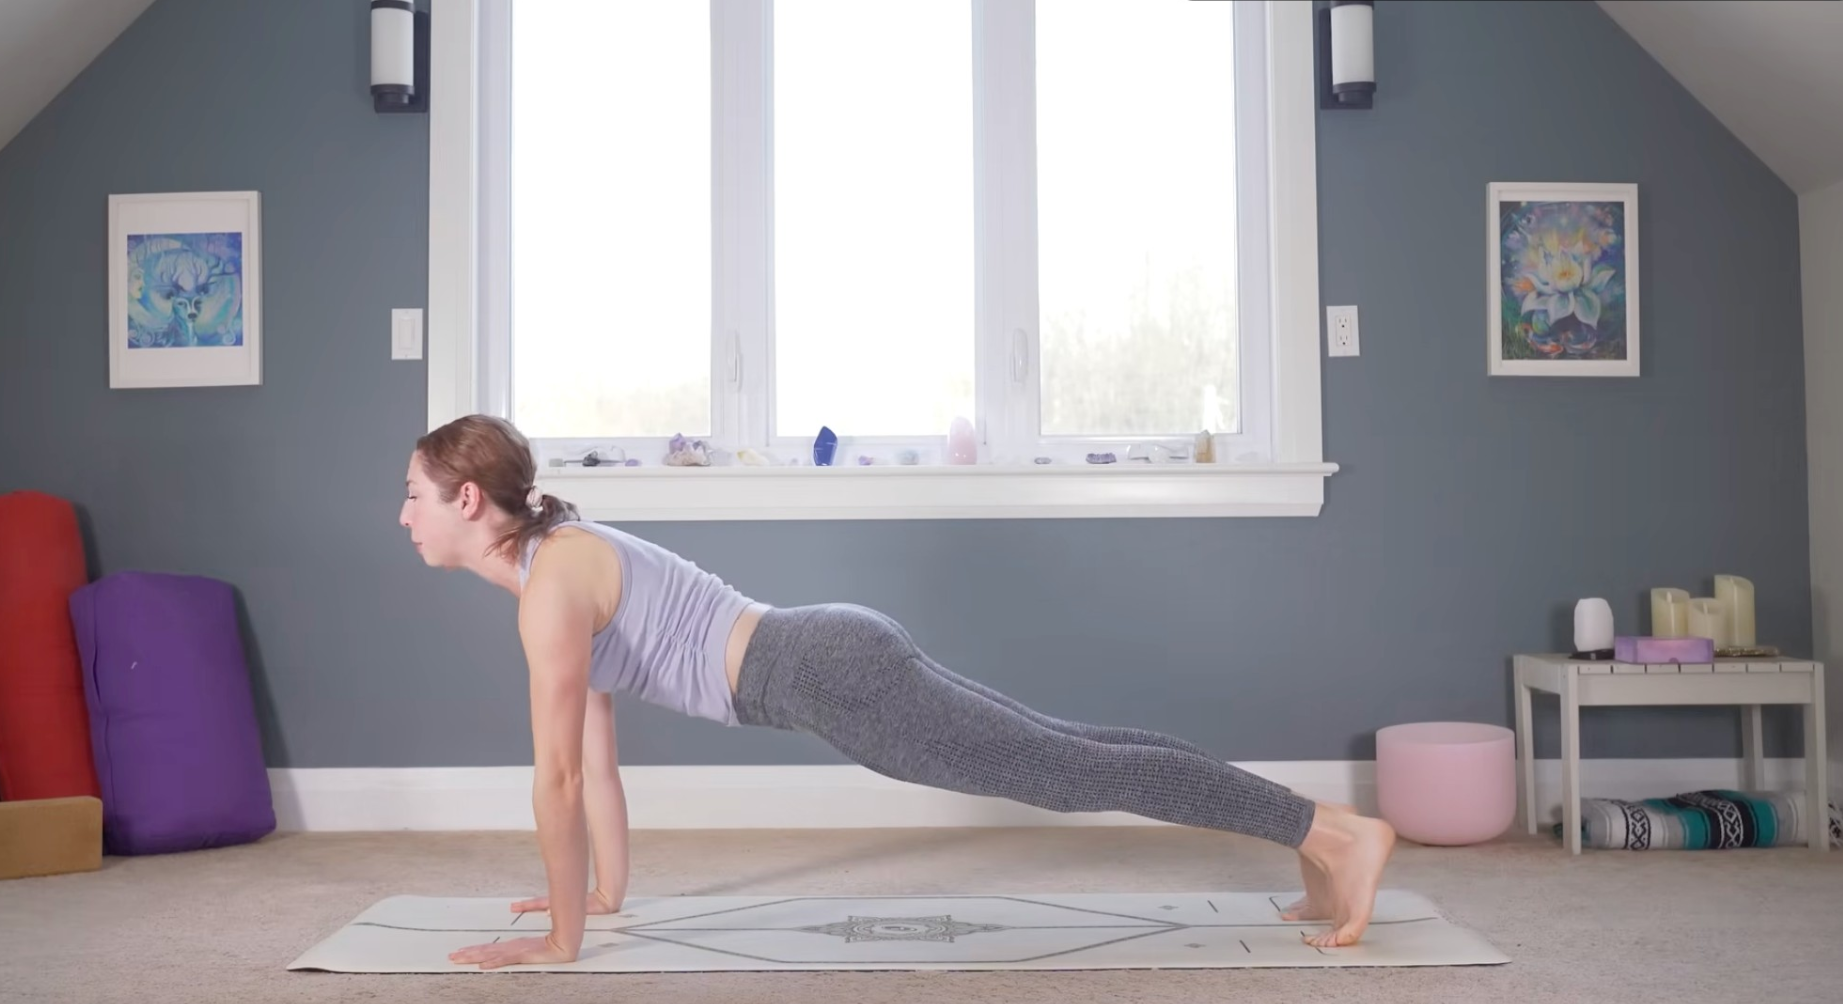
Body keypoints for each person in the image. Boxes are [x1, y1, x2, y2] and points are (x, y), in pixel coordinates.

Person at [400, 415, 1396, 971]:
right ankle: (1311, 834)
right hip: (831, 656)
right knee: (1079, 747)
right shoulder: (557, 569)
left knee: (1067, 771)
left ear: (469, 501)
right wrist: (603, 896)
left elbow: (560, 781)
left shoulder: (551, 595)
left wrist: (559, 941)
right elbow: (601, 767)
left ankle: (1337, 834)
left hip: (828, 677)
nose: (403, 514)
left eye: (414, 495)